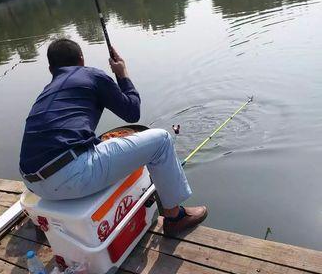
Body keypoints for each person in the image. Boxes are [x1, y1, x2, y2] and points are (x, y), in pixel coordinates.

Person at [19, 38, 208, 236]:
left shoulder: (46, 93)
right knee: (161, 140)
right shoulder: (91, 75)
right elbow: (132, 113)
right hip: (70, 177)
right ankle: (174, 217)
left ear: (51, 69)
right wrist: (122, 74)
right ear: (81, 59)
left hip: (33, 184)